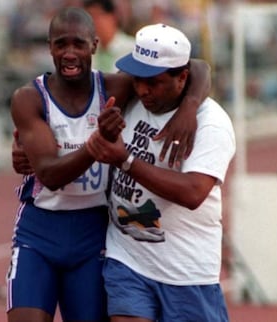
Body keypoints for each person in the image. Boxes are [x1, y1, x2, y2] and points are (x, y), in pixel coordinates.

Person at [8, 6, 211, 322]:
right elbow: (49, 174)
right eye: (61, 44)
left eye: (78, 44)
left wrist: (190, 106)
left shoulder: (113, 87)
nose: (70, 53)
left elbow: (196, 67)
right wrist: (97, 144)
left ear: (95, 45)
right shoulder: (30, 98)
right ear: (49, 47)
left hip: (93, 233)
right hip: (40, 231)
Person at [86, 23, 236, 322]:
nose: (142, 89)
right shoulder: (132, 97)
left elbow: (193, 192)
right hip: (127, 259)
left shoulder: (211, 124)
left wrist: (125, 160)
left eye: (152, 82)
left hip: (186, 272)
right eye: (137, 78)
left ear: (182, 78)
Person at [83, 0, 135, 73]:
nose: (93, 21)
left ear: (113, 16)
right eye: (89, 17)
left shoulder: (132, 49)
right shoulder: (88, 50)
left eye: (97, 15)